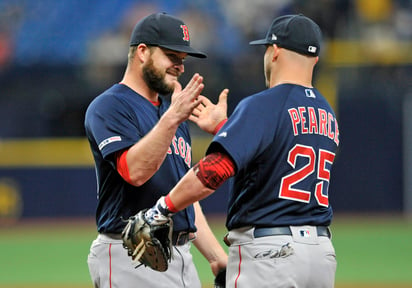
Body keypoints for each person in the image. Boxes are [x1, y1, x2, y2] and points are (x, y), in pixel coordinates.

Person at [145, 14, 339, 287]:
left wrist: (163, 207)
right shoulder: (327, 114)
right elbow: (277, 156)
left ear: (274, 52)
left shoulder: (264, 104)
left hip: (270, 253)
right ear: (315, 59)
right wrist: (225, 127)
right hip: (321, 255)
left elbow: (214, 171)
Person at [84, 12, 228, 288]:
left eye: (183, 60)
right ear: (142, 52)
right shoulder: (110, 106)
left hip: (180, 254)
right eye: (172, 56)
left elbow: (182, 194)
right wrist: (173, 118)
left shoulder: (170, 111)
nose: (180, 67)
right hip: (133, 254)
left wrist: (215, 257)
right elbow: (134, 171)